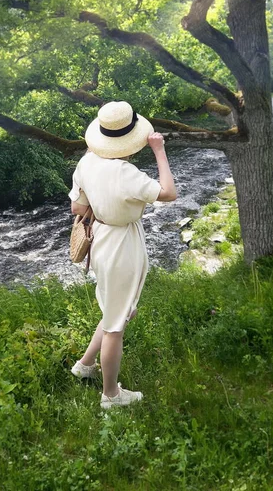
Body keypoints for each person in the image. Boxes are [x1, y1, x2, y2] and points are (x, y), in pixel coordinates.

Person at [68, 101, 177, 409]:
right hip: (121, 245)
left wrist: (102, 204)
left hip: (101, 237)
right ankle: (110, 395)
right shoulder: (125, 172)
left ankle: (85, 365)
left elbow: (77, 207)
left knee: (114, 308)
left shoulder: (87, 162)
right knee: (117, 324)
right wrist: (159, 150)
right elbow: (168, 193)